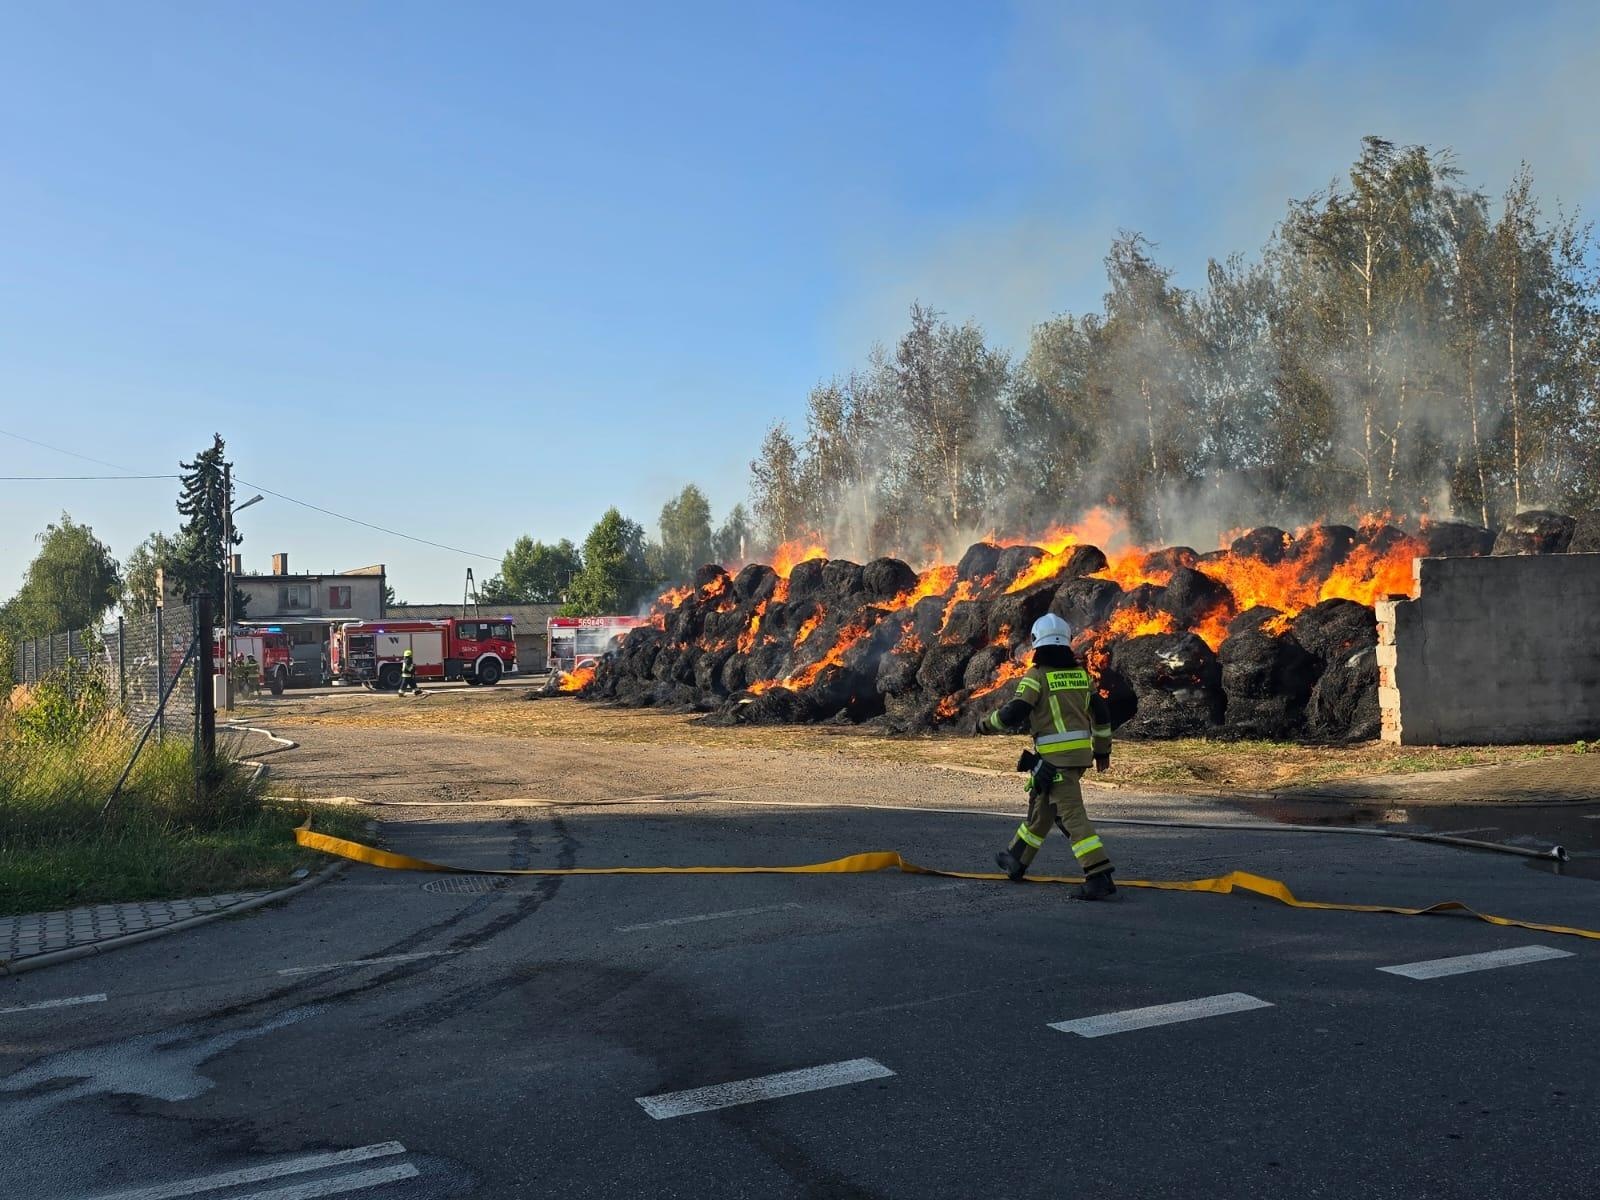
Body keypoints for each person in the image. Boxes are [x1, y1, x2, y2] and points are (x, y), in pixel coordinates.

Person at [975, 613, 1117, 900]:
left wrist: (985, 724)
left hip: (1056, 761)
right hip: (1075, 758)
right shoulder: (1081, 676)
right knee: (1042, 810)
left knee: (1072, 816)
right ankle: (1016, 859)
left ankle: (1099, 875)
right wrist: (1102, 750)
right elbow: (1101, 714)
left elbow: (1015, 711)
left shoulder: (1037, 677)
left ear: (1035, 643)